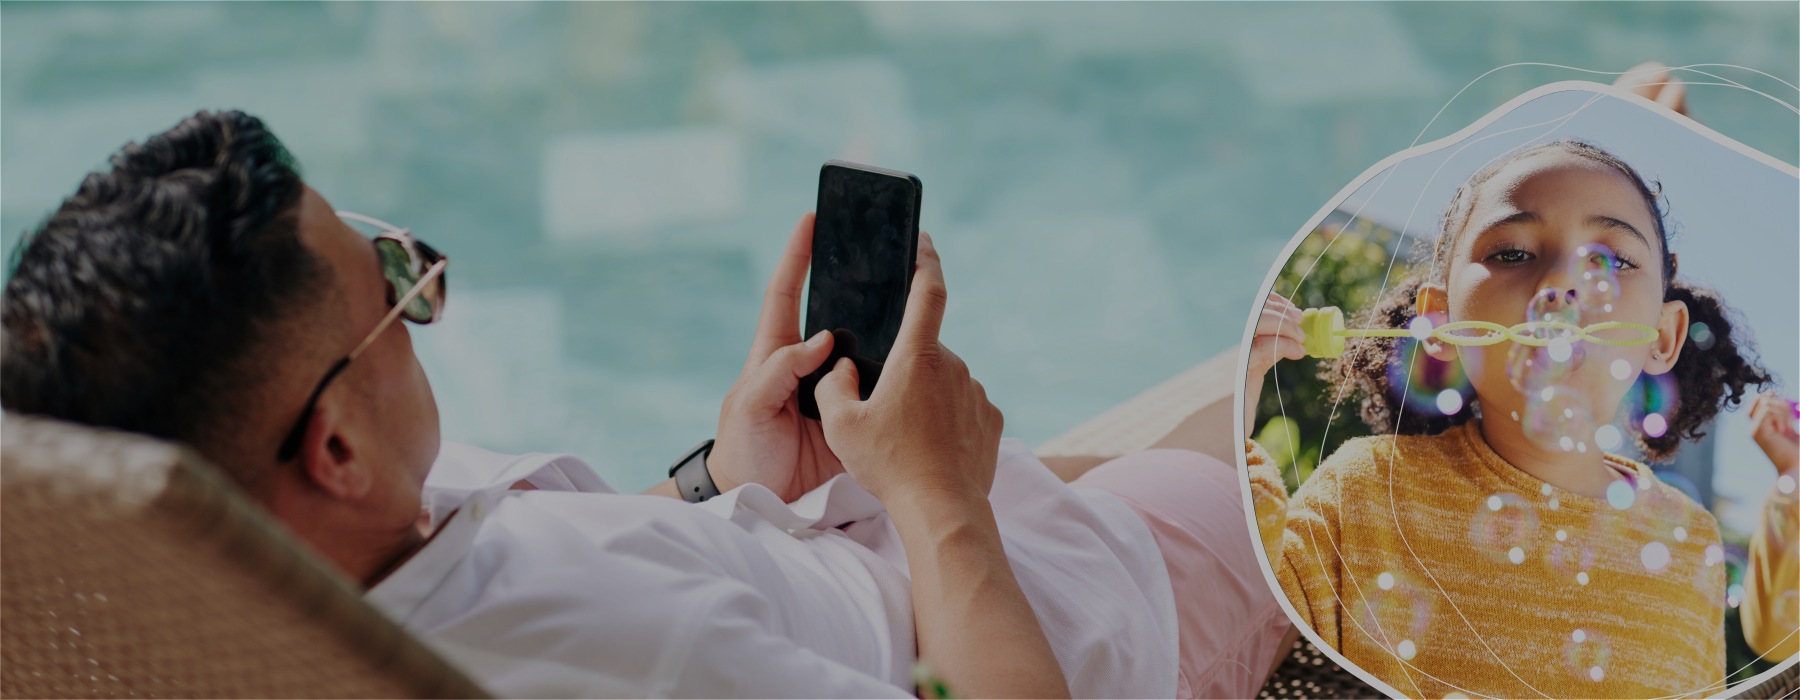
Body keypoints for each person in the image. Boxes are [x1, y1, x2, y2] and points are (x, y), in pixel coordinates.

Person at [0, 110, 1292, 698]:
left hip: (866, 555)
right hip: (1078, 636)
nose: (420, 291)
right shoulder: (598, 664)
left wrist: (723, 485)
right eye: (398, 287)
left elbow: (569, 560)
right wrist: (939, 493)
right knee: (1276, 433)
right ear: (332, 444)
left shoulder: (282, 577)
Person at [1242, 138, 1790, 698]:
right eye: (1512, 253)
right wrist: (1235, 397)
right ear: (1441, 323)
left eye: (1613, 261)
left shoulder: (1690, 537)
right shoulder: (1364, 491)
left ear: (1665, 336)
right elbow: (1239, 634)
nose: (1560, 285)